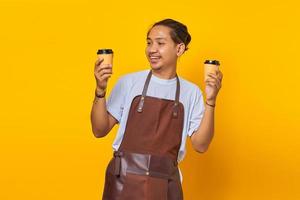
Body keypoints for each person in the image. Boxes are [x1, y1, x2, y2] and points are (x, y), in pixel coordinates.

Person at [90, 18, 223, 200]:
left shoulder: (191, 93)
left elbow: (200, 145)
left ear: (179, 49)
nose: (152, 49)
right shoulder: (128, 82)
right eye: (149, 43)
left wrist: (211, 101)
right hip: (123, 179)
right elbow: (99, 129)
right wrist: (100, 90)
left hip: (165, 183)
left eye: (160, 43)